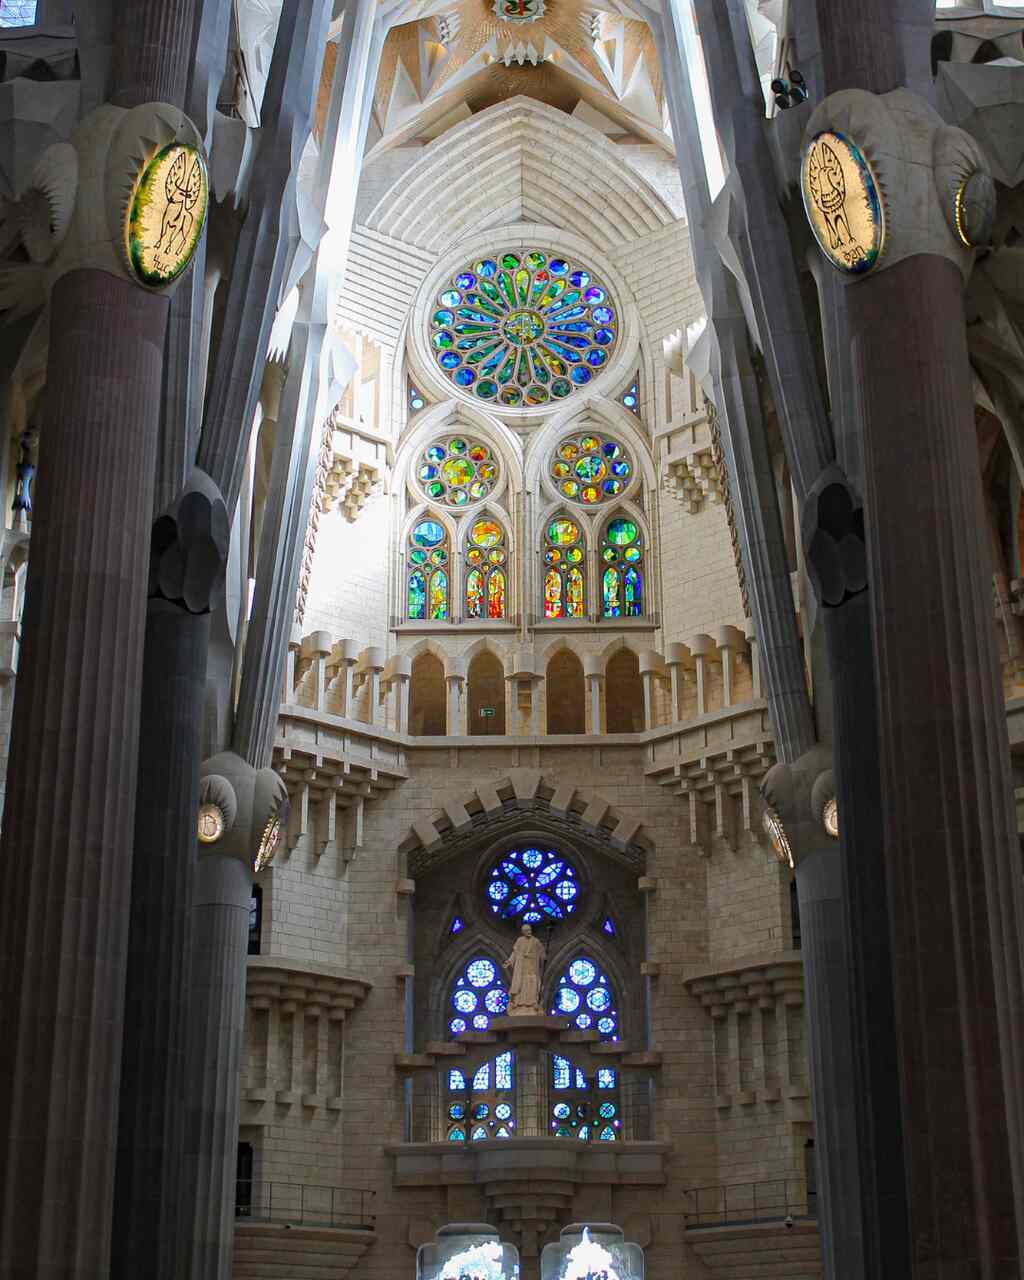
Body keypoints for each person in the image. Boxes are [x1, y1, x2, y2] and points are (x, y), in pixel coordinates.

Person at [503, 923, 546, 1015]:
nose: (529, 932)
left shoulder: (536, 941)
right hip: (522, 967)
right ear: (523, 932)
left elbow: (542, 952)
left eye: (530, 930)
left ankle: (533, 1004)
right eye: (526, 931)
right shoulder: (519, 940)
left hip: (532, 967)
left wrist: (543, 957)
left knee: (532, 983)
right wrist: (509, 961)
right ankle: (520, 1004)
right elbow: (515, 953)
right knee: (521, 985)